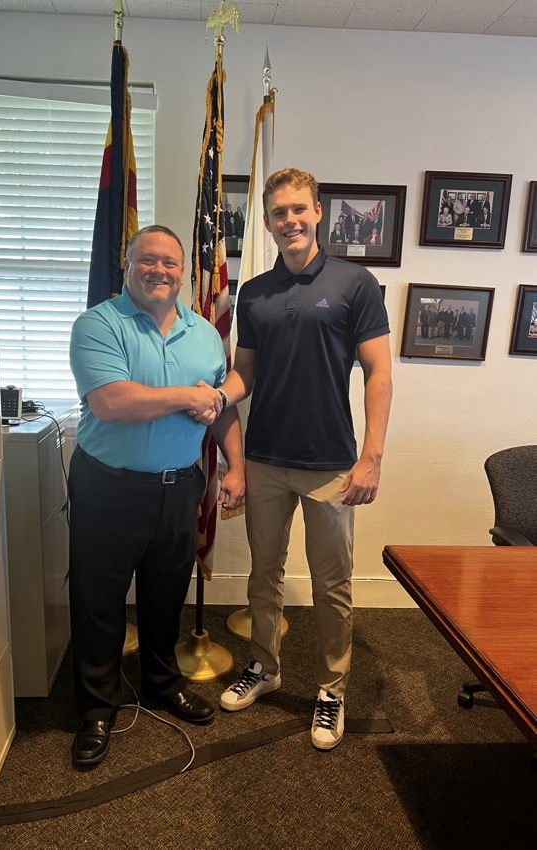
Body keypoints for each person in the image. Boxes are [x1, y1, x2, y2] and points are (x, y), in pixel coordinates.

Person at [216, 168, 392, 751]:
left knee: (331, 583)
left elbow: (379, 373)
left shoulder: (355, 283)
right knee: (263, 574)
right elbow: (245, 373)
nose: (289, 220)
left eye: (298, 209)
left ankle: (331, 689)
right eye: (278, 213)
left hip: (330, 463)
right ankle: (266, 668)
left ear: (318, 212)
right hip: (265, 458)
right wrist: (216, 397)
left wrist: (371, 457)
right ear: (267, 222)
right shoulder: (254, 293)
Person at [68, 224, 245, 768]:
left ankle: (163, 683)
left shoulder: (204, 334)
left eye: (170, 262)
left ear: (183, 272)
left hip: (178, 487)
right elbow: (113, 402)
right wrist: (192, 396)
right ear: (127, 265)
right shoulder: (98, 324)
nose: (159, 270)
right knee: (99, 602)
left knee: (166, 596)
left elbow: (221, 408)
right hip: (108, 487)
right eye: (147, 260)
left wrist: (236, 466)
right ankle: (97, 708)